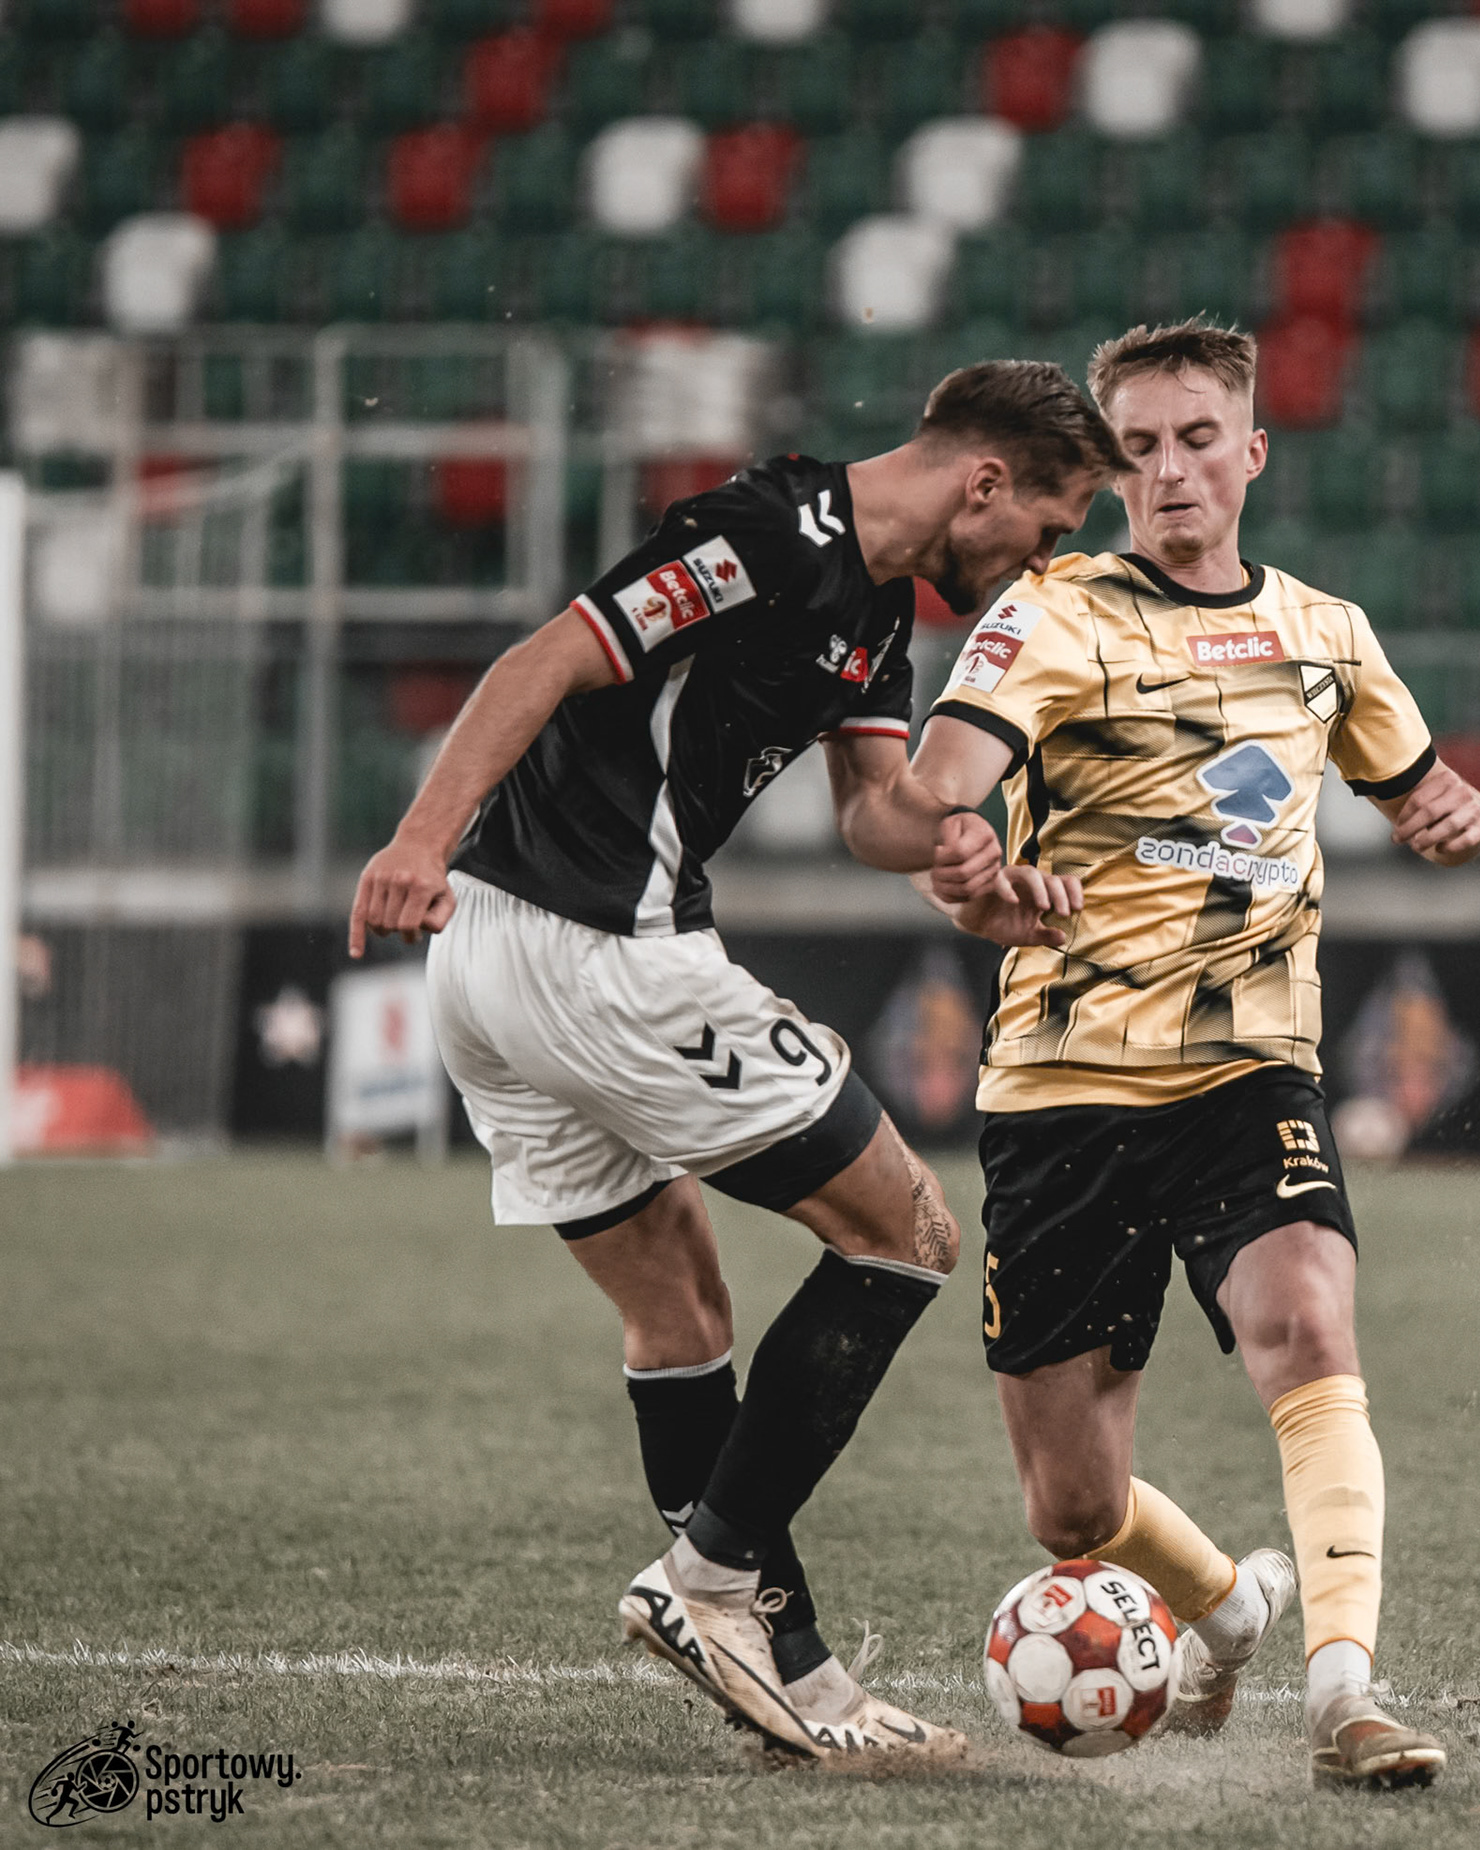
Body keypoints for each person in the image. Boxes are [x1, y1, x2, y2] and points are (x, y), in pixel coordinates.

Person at [348, 360, 1126, 1760]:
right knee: (909, 1231)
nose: (1040, 560)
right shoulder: (769, 534)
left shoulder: (877, 608)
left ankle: (794, 1675)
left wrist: (964, 848)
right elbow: (545, 658)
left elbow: (874, 810)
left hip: (498, 966)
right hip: (601, 949)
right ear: (985, 481)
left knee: (681, 1308)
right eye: (1050, 526)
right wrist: (417, 837)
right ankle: (706, 1577)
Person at [911, 320, 1480, 1787]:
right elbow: (942, 795)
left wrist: (1452, 815)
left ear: (1252, 451)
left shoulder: (1328, 634)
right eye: (1141, 447)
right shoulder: (1052, 614)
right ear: (1112, 469)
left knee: (1308, 1322)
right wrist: (967, 862)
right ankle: (1228, 1608)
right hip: (1063, 1086)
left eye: (1196, 439)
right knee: (1070, 1506)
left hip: (1249, 1070)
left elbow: (1422, 787)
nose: (1171, 470)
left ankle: (1345, 1694)